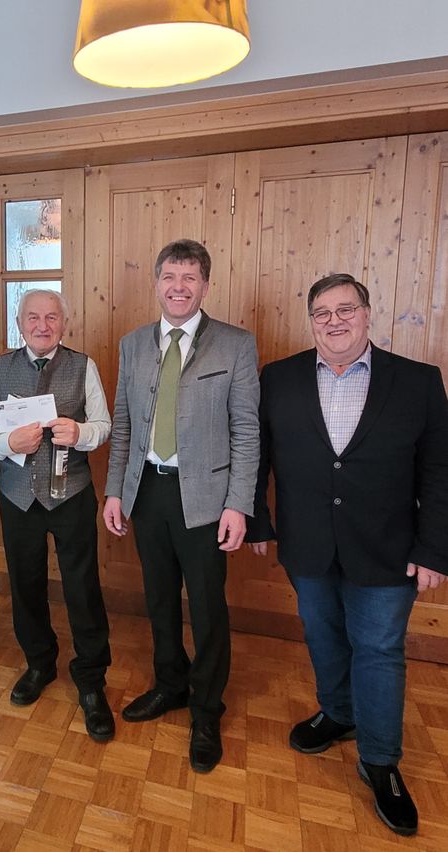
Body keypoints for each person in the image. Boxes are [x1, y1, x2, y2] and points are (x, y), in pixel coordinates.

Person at [246, 272, 448, 836]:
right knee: (322, 634)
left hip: (388, 547)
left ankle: (380, 762)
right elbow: (257, 453)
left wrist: (435, 548)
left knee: (379, 649)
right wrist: (260, 518)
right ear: (311, 321)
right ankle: (338, 713)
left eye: (346, 309)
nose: (334, 321)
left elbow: (439, 471)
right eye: (322, 313)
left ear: (367, 313)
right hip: (307, 541)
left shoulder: (417, 381)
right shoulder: (279, 378)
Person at [103, 239, 259, 772]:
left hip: (207, 499)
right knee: (160, 598)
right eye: (170, 276)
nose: (178, 287)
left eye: (189, 278)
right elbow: (123, 422)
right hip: (148, 491)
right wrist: (116, 490)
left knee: (208, 607)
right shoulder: (132, 344)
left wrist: (240, 504)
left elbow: (246, 430)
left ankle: (206, 708)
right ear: (156, 283)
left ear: (206, 286)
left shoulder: (236, 345)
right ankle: (170, 683)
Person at [0, 289, 114, 742]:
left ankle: (91, 678)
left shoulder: (83, 365)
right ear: (19, 322)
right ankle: (39, 662)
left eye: (52, 317)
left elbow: (106, 426)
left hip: (71, 495)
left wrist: (82, 432)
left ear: (64, 323)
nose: (42, 325)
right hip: (18, 498)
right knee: (25, 584)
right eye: (33, 317)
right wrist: (5, 445)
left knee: (82, 587)